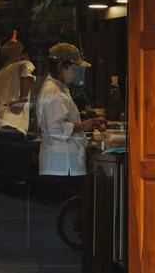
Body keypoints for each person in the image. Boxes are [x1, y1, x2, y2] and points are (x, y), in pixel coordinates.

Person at [33, 42, 104, 178]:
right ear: (61, 66)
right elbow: (55, 128)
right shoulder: (54, 91)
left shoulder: (57, 87)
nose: (76, 72)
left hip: (60, 164)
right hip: (62, 165)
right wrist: (83, 125)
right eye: (74, 68)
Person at [0, 36, 35, 140]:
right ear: (21, 56)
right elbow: (27, 68)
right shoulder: (22, 64)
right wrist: (22, 100)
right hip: (13, 127)